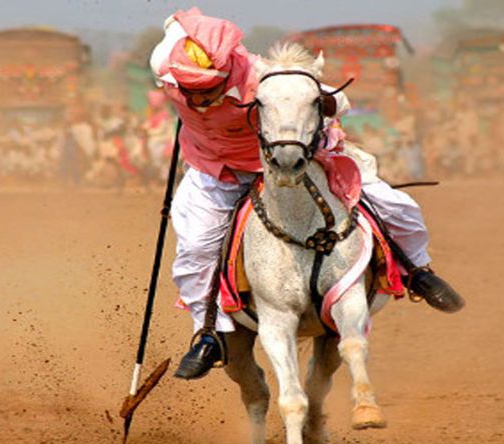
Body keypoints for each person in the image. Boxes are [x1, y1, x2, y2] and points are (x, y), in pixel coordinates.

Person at [149, 8, 464, 380]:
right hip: (212, 170)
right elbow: (175, 26)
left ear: (227, 75)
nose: (199, 101)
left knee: (398, 207)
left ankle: (417, 272)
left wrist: (325, 107)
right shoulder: (165, 62)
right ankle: (208, 335)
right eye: (190, 93)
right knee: (195, 250)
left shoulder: (260, 74)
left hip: (283, 163)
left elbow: (334, 99)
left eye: (208, 92)